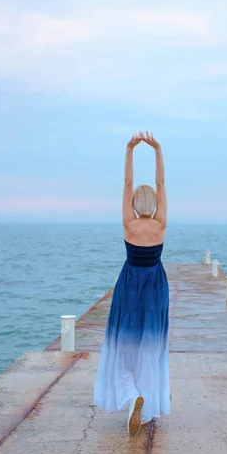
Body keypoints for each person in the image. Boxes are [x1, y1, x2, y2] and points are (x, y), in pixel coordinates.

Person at [93, 131, 170, 436]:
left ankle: (132, 394)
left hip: (130, 283)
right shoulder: (160, 224)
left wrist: (129, 150)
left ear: (136, 203)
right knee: (151, 344)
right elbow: (162, 185)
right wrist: (157, 151)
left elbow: (126, 185)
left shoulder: (129, 223)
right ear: (153, 203)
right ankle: (146, 404)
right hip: (155, 284)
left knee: (125, 342)